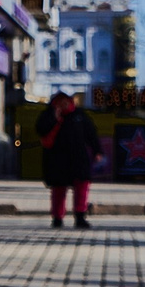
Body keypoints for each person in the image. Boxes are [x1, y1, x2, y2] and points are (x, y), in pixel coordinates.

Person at [35, 93, 101, 228]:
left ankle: (80, 216)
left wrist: (97, 151)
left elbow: (91, 134)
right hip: (57, 159)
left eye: (65, 101)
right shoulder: (48, 115)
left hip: (79, 158)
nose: (63, 104)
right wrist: (55, 117)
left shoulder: (79, 115)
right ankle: (57, 218)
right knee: (58, 189)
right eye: (59, 102)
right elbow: (41, 130)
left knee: (82, 187)